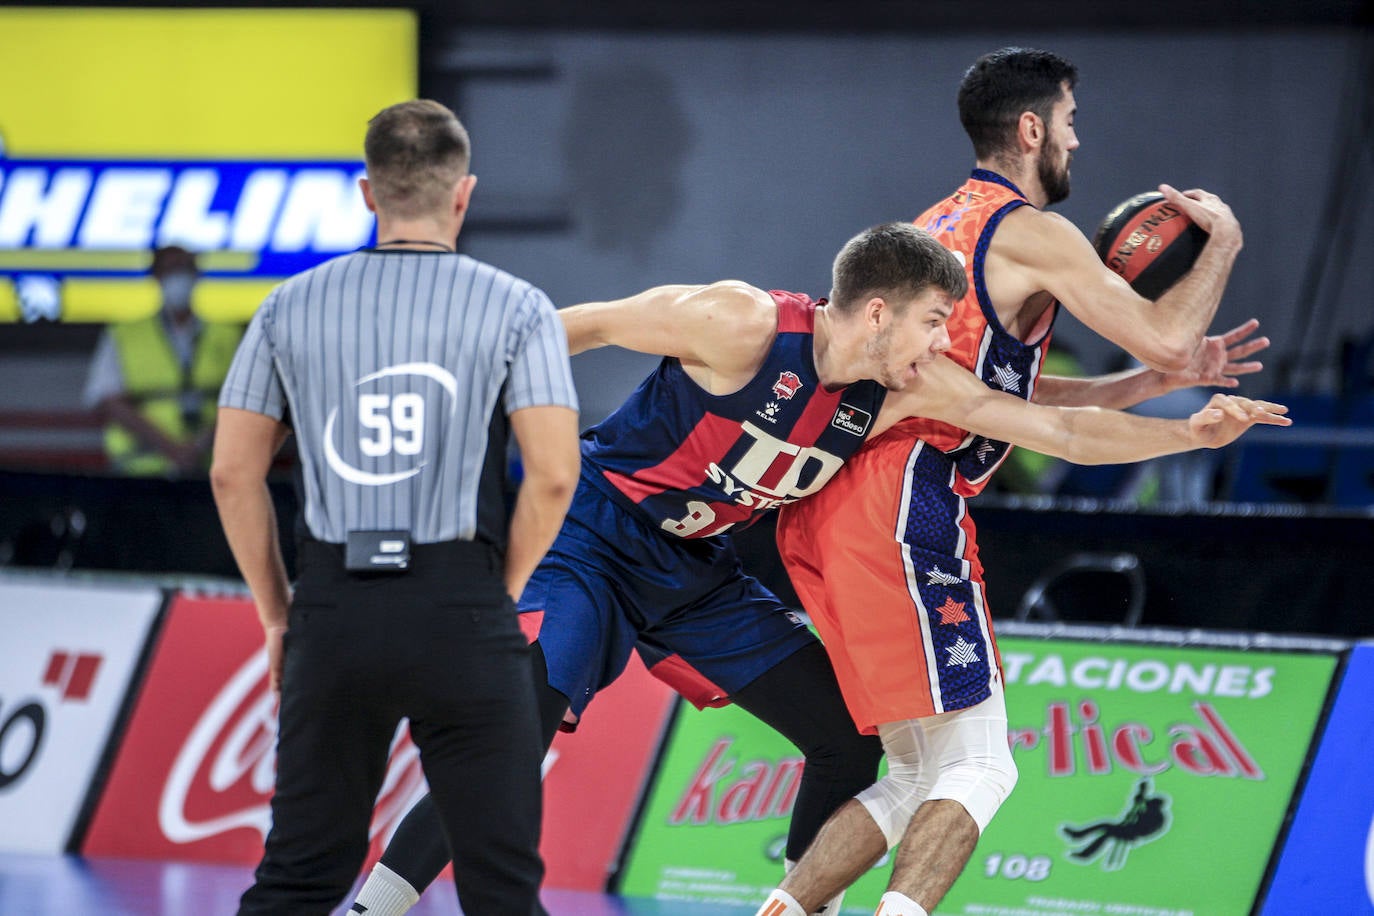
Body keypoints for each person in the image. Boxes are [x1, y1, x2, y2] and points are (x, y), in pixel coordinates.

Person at [349, 221, 1286, 916]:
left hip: (694, 570)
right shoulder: (739, 323)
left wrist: (1183, 427)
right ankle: (373, 907)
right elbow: (580, 325)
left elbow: (1056, 424)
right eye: (930, 322)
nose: (937, 343)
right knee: (519, 731)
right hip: (594, 538)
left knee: (847, 736)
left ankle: (806, 907)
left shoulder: (894, 390)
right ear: (877, 312)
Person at [758, 47, 1270, 916]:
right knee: (985, 763)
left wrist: (1157, 386)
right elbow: (1164, 339)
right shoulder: (1030, 230)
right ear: (1032, 129)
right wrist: (1221, 244)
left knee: (921, 770)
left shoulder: (936, 225)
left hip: (829, 505)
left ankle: (782, 910)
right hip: (905, 499)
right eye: (1070, 122)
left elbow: (1016, 398)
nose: (1077, 139)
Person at [210, 99, 581, 915]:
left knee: (299, 877)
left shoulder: (288, 305)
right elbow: (554, 475)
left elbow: (233, 475)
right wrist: (500, 589)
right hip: (461, 606)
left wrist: (280, 618)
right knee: (501, 885)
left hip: (334, 609)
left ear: (366, 192)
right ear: (464, 193)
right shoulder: (516, 305)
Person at [82, 244, 243, 475]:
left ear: (197, 274)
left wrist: (198, 447)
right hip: (139, 470)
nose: (178, 277)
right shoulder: (124, 334)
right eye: (170, 269)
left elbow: (245, 403)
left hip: (213, 469)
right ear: (156, 277)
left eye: (184, 268)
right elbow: (108, 400)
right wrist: (171, 448)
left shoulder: (228, 335)